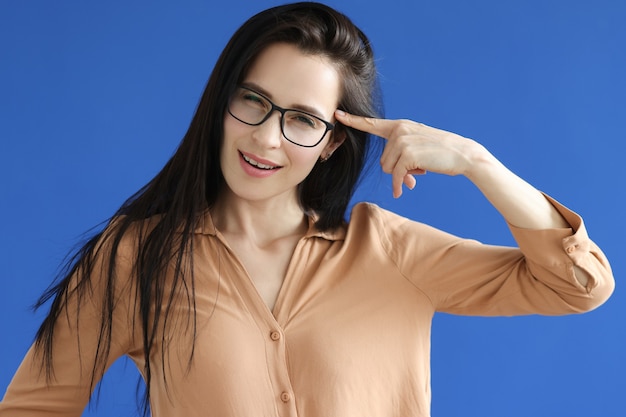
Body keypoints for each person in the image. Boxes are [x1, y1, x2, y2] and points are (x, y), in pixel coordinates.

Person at [0, 2, 614, 417]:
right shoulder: (135, 256)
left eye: (302, 120)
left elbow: (578, 285)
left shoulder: (389, 250)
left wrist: (481, 163)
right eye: (254, 102)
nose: (267, 138)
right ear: (222, 103)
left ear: (331, 144)